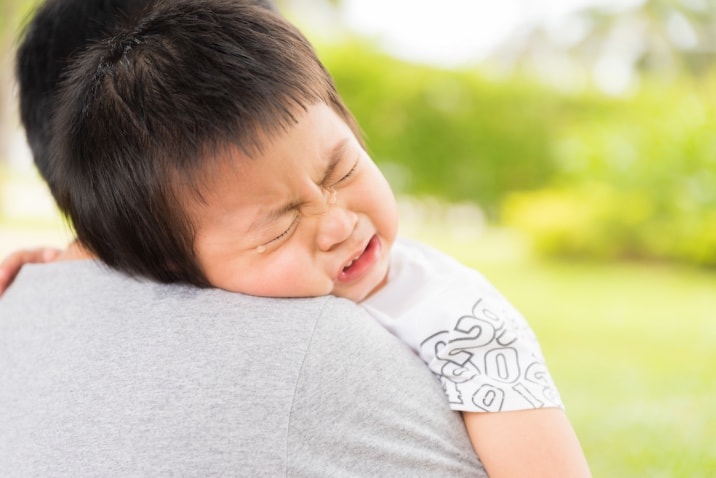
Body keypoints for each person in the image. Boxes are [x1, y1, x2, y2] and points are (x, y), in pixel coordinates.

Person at [4, 0, 591, 475]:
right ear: (167, 266)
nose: (338, 224)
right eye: (279, 224)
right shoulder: (152, 265)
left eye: (343, 169)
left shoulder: (459, 320)